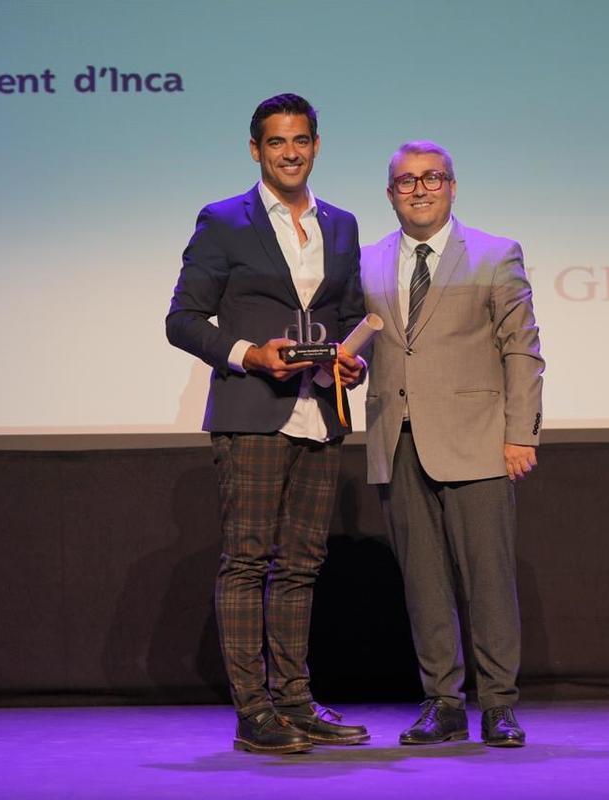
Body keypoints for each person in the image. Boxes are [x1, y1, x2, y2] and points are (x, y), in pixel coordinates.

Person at [166, 93, 368, 754]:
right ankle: (253, 711)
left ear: (316, 144)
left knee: (303, 564)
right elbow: (183, 320)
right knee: (248, 561)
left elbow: (341, 318)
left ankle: (295, 701)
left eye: (301, 140)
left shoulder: (341, 224)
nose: (290, 152)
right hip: (252, 412)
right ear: (256, 149)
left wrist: (347, 361)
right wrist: (249, 354)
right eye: (277, 142)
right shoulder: (224, 221)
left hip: (320, 415)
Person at [360, 141, 544, 747]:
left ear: (452, 186)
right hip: (398, 439)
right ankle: (442, 702)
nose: (419, 189)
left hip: (477, 441)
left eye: (431, 178)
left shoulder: (495, 254)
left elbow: (522, 349)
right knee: (424, 581)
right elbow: (360, 347)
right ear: (391, 194)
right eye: (406, 181)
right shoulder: (366, 261)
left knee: (488, 577)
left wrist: (520, 433)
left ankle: (498, 705)